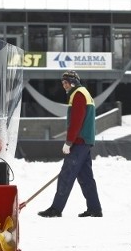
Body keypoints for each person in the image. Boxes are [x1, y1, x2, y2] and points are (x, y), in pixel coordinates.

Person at [38, 70, 103, 218]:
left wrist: (69, 142)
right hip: (85, 141)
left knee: (66, 175)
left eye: (66, 82)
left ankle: (56, 209)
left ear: (73, 82)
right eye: (63, 83)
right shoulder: (83, 93)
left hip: (79, 142)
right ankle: (95, 209)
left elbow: (76, 121)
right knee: (86, 178)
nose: (64, 85)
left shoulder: (78, 94)